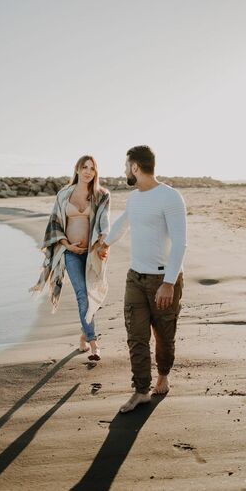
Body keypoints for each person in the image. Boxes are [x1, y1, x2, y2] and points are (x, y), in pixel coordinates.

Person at [98, 145, 187, 412]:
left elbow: (181, 243)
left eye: (126, 166)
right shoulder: (135, 198)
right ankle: (140, 390)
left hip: (164, 280)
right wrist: (104, 243)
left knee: (164, 335)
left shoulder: (170, 197)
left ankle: (163, 374)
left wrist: (169, 283)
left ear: (135, 167)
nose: (124, 170)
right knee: (136, 336)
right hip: (135, 278)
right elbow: (123, 223)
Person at [30, 155, 110, 361]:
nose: (88, 171)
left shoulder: (101, 195)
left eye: (92, 168)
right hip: (69, 253)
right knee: (82, 294)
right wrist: (67, 246)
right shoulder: (64, 194)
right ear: (77, 169)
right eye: (84, 167)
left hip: (93, 254)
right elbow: (55, 223)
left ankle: (84, 336)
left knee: (93, 296)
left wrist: (102, 243)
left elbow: (104, 225)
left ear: (96, 172)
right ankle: (94, 343)